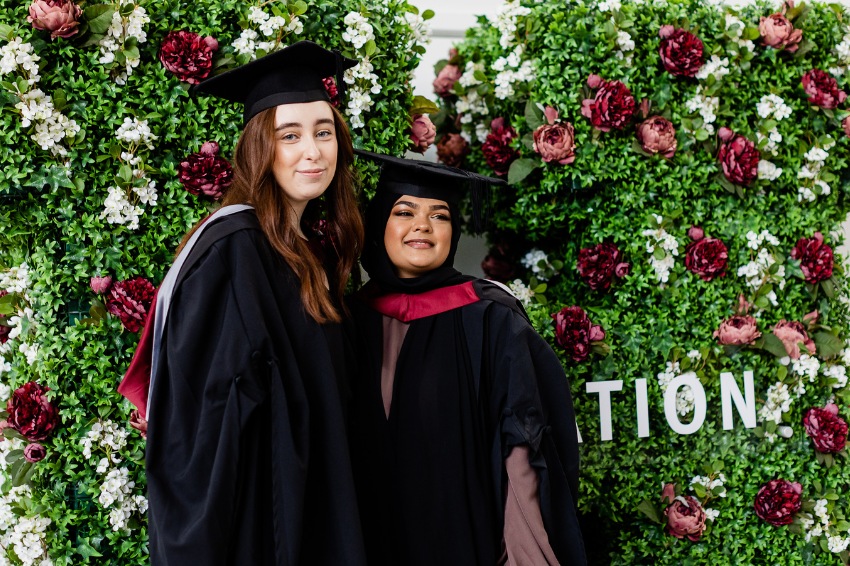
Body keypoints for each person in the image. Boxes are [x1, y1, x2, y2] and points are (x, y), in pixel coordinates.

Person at [117, 41, 367, 565]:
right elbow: (204, 418)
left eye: (323, 132)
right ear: (260, 148)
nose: (313, 151)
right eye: (290, 135)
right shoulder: (233, 251)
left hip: (316, 509)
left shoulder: (311, 251)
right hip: (265, 528)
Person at [347, 150, 587, 565]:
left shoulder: (490, 319)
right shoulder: (343, 324)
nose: (423, 225)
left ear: (453, 232)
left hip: (462, 540)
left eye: (439, 215)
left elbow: (522, 453)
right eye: (404, 211)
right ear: (378, 222)